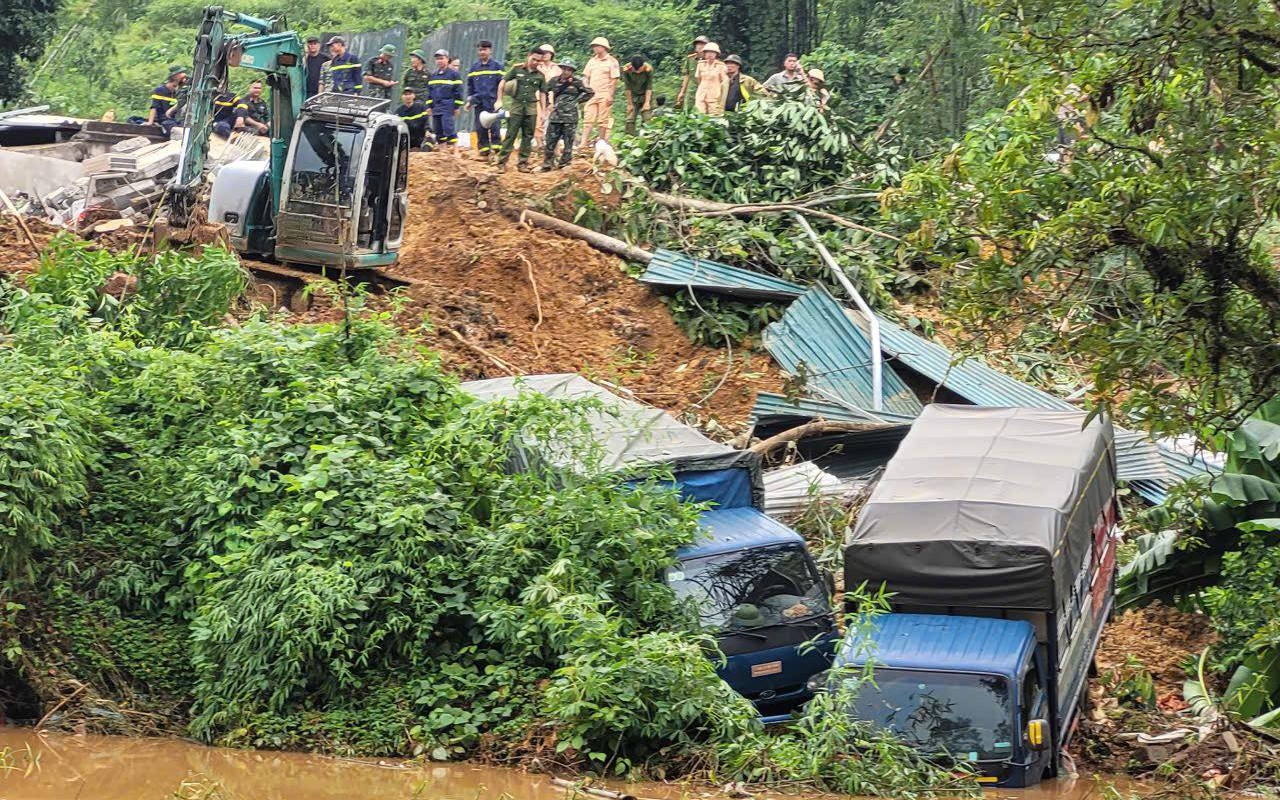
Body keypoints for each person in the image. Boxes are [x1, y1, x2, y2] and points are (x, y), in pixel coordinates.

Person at [496, 46, 548, 172]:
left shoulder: (540, 76)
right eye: (534, 59)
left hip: (531, 108)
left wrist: (544, 111)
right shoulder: (516, 69)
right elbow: (503, 82)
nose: (535, 62)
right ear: (529, 55)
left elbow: (542, 94)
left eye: (538, 61)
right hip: (517, 106)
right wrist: (499, 100)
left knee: (527, 136)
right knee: (510, 134)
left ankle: (522, 163)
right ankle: (502, 162)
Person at [542, 58, 593, 170]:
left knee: (568, 142)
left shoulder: (576, 82)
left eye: (569, 70)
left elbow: (590, 92)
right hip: (556, 116)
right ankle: (547, 164)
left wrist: (577, 101)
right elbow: (544, 90)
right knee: (550, 141)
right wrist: (547, 103)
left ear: (572, 71)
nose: (566, 71)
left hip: (570, 118)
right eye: (564, 69)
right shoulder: (554, 81)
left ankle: (564, 164)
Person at [578, 37, 619, 148]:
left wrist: (611, 95)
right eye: (594, 46)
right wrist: (585, 87)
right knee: (588, 118)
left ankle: (601, 142)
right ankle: (583, 143)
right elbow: (586, 76)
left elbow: (614, 80)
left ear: (604, 47)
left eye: (597, 46)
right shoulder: (591, 61)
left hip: (604, 93)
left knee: (603, 120)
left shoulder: (612, 62)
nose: (595, 48)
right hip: (591, 94)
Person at [467, 40, 504, 158]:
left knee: (495, 125)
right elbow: (470, 86)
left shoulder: (497, 66)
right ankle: (484, 150)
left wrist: (500, 100)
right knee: (480, 126)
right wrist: (469, 101)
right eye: (480, 50)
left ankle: (497, 149)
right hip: (479, 102)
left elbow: (502, 85)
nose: (482, 52)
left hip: (493, 101)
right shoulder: (474, 68)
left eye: (485, 49)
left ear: (490, 51)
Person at [427, 49, 464, 147]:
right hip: (436, 107)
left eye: (442, 58)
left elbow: (458, 92)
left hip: (448, 105)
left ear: (447, 59)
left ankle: (455, 151)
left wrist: (457, 107)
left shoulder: (454, 75)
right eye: (438, 59)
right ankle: (442, 153)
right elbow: (430, 92)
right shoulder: (433, 76)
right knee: (438, 130)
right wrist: (430, 106)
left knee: (448, 128)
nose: (439, 61)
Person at [146, 65, 187, 134]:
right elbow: (154, 107)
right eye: (180, 73)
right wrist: (150, 122)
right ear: (174, 76)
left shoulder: (181, 91)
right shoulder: (160, 90)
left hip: (177, 120)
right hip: (165, 120)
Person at [535, 44, 559, 147]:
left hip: (552, 96)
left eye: (547, 53)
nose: (545, 55)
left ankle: (552, 143)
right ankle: (539, 143)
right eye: (543, 53)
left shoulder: (557, 68)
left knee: (552, 120)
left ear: (551, 54)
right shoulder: (536, 67)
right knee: (538, 119)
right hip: (538, 95)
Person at [621, 54, 652, 134]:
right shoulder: (627, 71)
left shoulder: (648, 70)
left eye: (640, 70)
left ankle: (648, 139)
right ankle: (629, 139)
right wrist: (629, 104)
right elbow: (627, 88)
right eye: (636, 70)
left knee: (647, 118)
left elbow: (649, 87)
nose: (638, 72)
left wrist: (647, 103)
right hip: (633, 96)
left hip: (645, 95)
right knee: (630, 119)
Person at [675, 35, 708, 110]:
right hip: (692, 91)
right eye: (698, 44)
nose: (700, 46)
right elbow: (687, 76)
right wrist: (682, 92)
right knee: (688, 111)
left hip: (706, 91)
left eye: (703, 44)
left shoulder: (710, 61)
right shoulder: (690, 59)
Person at [694, 41, 727, 115]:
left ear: (716, 54)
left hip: (714, 96)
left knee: (714, 117)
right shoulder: (700, 65)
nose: (710, 54)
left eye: (712, 52)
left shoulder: (721, 66)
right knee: (699, 115)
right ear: (704, 53)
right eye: (708, 52)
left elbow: (724, 82)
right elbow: (698, 79)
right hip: (701, 94)